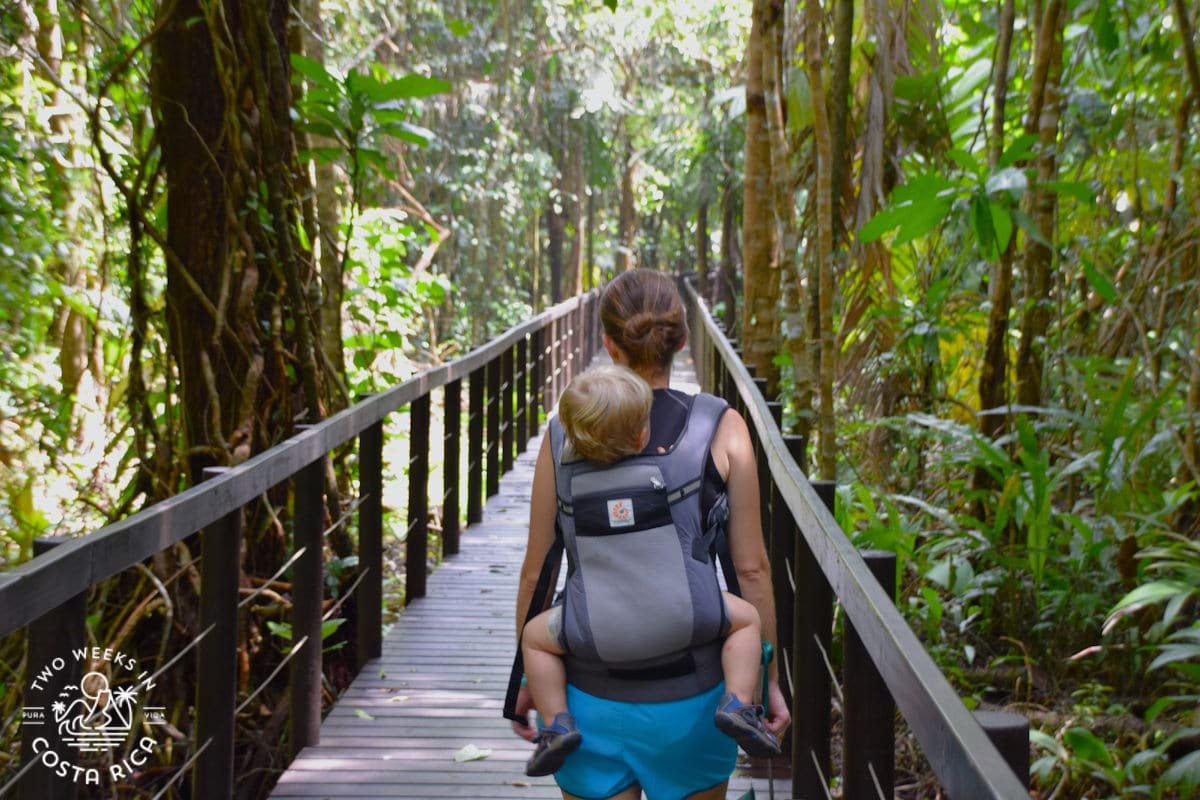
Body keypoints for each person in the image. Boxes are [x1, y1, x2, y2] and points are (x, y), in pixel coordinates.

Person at [512, 269, 790, 800]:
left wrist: (527, 681)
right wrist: (766, 681)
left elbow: (536, 570)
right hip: (696, 700)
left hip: (588, 696)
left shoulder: (563, 433)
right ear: (682, 340)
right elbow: (751, 568)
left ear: (609, 345)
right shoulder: (722, 425)